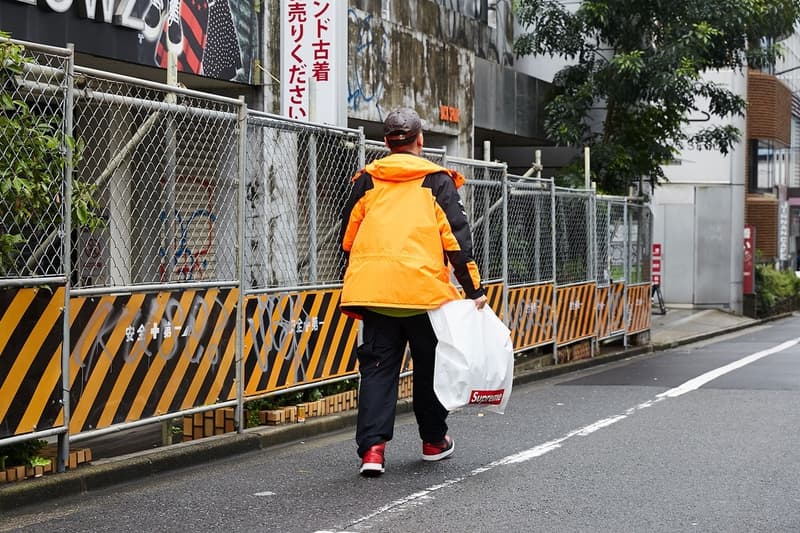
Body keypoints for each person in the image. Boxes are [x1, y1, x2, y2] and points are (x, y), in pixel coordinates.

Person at [340, 107, 487, 476]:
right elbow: (457, 242)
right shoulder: (437, 182)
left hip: (376, 294)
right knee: (429, 369)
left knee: (376, 369)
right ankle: (433, 441)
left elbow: (347, 238)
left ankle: (372, 451)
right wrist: (474, 291)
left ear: (387, 142)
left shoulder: (367, 181)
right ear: (420, 140)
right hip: (424, 295)